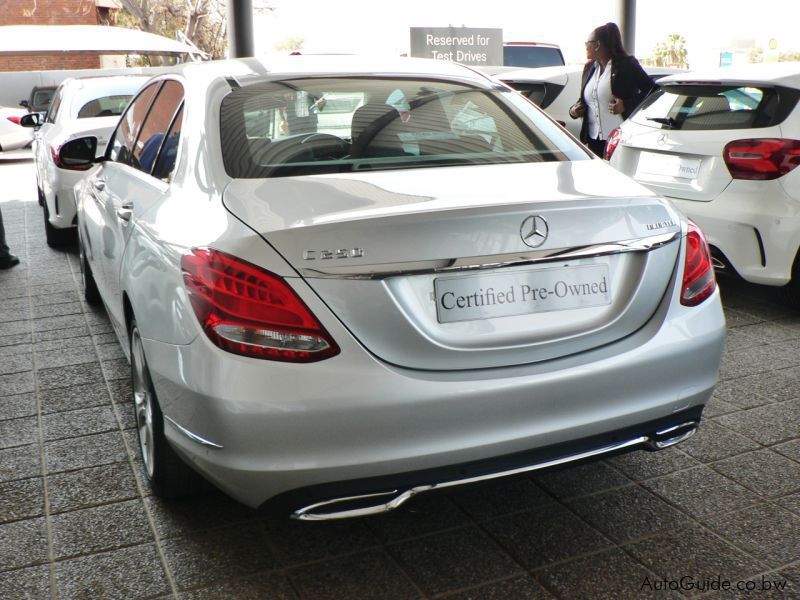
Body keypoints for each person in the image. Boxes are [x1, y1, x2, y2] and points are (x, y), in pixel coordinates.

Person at [568, 22, 653, 157]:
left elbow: (652, 90)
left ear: (597, 45)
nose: (586, 46)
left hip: (620, 140)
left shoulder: (626, 64)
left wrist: (626, 105)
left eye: (587, 43)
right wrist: (573, 111)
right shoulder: (589, 68)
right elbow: (583, 99)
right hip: (592, 140)